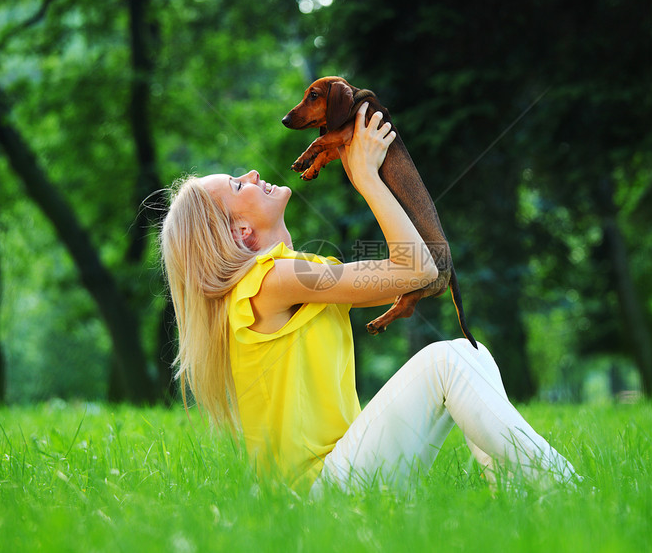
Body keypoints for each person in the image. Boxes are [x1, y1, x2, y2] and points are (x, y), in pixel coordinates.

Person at [159, 102, 579, 493]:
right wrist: (366, 177)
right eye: (237, 185)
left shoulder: (288, 277)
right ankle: (565, 491)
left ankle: (527, 491)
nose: (251, 174)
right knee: (448, 360)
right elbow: (417, 268)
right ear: (240, 233)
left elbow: (415, 271)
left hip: (341, 477)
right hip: (319, 492)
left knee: (474, 354)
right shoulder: (268, 283)